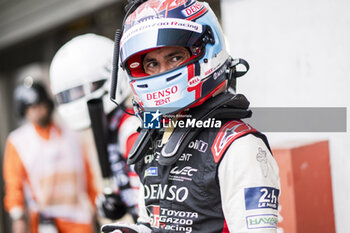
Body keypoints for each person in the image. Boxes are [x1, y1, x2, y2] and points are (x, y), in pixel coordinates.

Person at [102, 0, 280, 232]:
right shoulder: (152, 138)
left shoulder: (238, 146)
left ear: (205, 53)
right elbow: (152, 220)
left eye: (175, 58)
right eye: (152, 63)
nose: (161, 72)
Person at [49, 33, 140, 222]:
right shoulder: (108, 130)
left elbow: (151, 201)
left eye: (82, 89)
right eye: (70, 93)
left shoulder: (131, 129)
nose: (77, 97)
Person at [3, 79, 98, 233]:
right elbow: (14, 182)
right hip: (44, 220)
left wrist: (95, 204)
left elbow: (86, 174)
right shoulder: (19, 142)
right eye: (31, 107)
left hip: (78, 219)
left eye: (40, 104)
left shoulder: (71, 135)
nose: (37, 110)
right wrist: (18, 216)